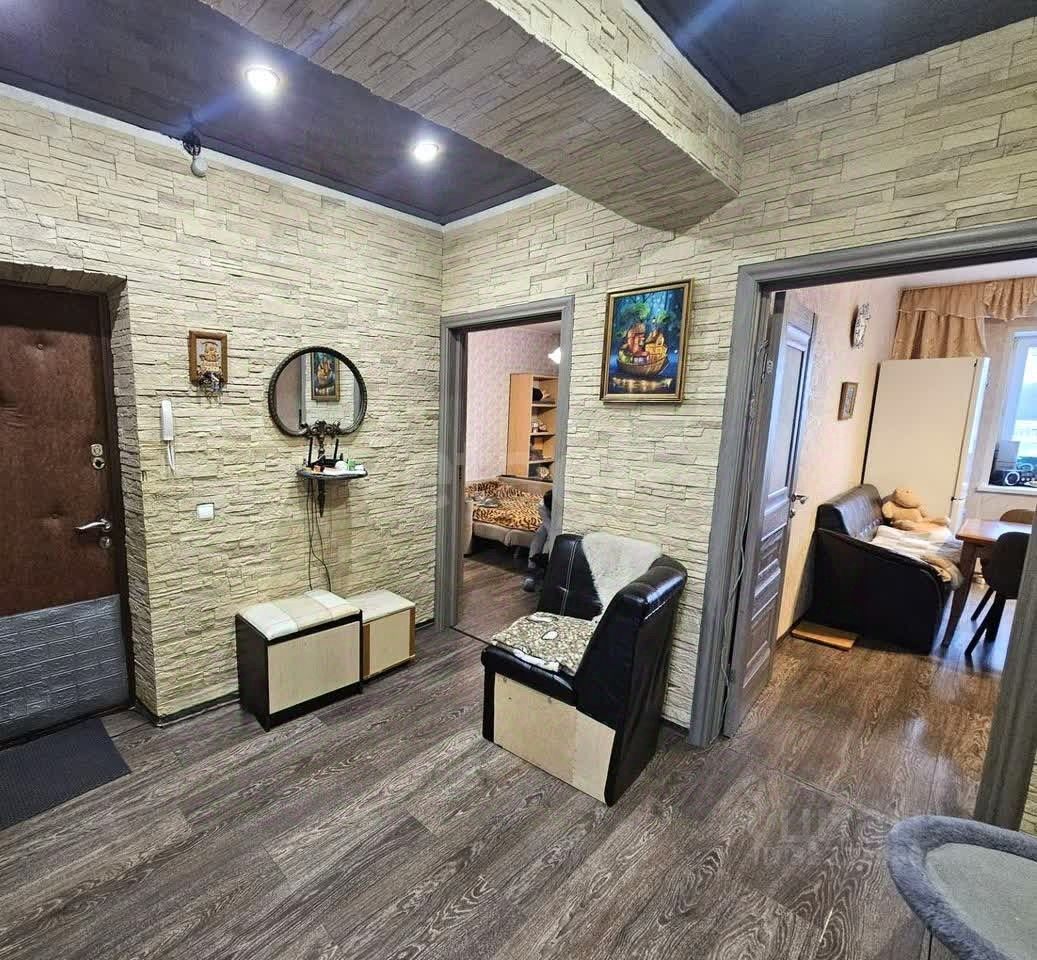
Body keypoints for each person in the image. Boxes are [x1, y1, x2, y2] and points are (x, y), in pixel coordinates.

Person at [522, 489, 552, 592]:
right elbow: (549, 527)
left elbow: (553, 534)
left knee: (549, 540)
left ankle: (544, 572)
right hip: (548, 523)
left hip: (559, 523)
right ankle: (531, 571)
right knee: (539, 535)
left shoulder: (562, 504)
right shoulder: (542, 506)